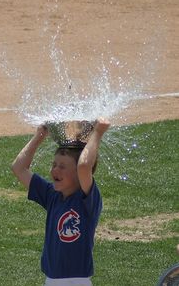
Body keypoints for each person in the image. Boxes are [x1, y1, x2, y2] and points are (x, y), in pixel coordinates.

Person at [12, 118, 110, 286]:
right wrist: (39, 136)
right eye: (54, 164)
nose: (54, 170)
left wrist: (98, 133)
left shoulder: (86, 200)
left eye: (63, 166)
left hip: (77, 281)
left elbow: (84, 165)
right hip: (51, 280)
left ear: (79, 174)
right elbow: (18, 168)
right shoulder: (52, 196)